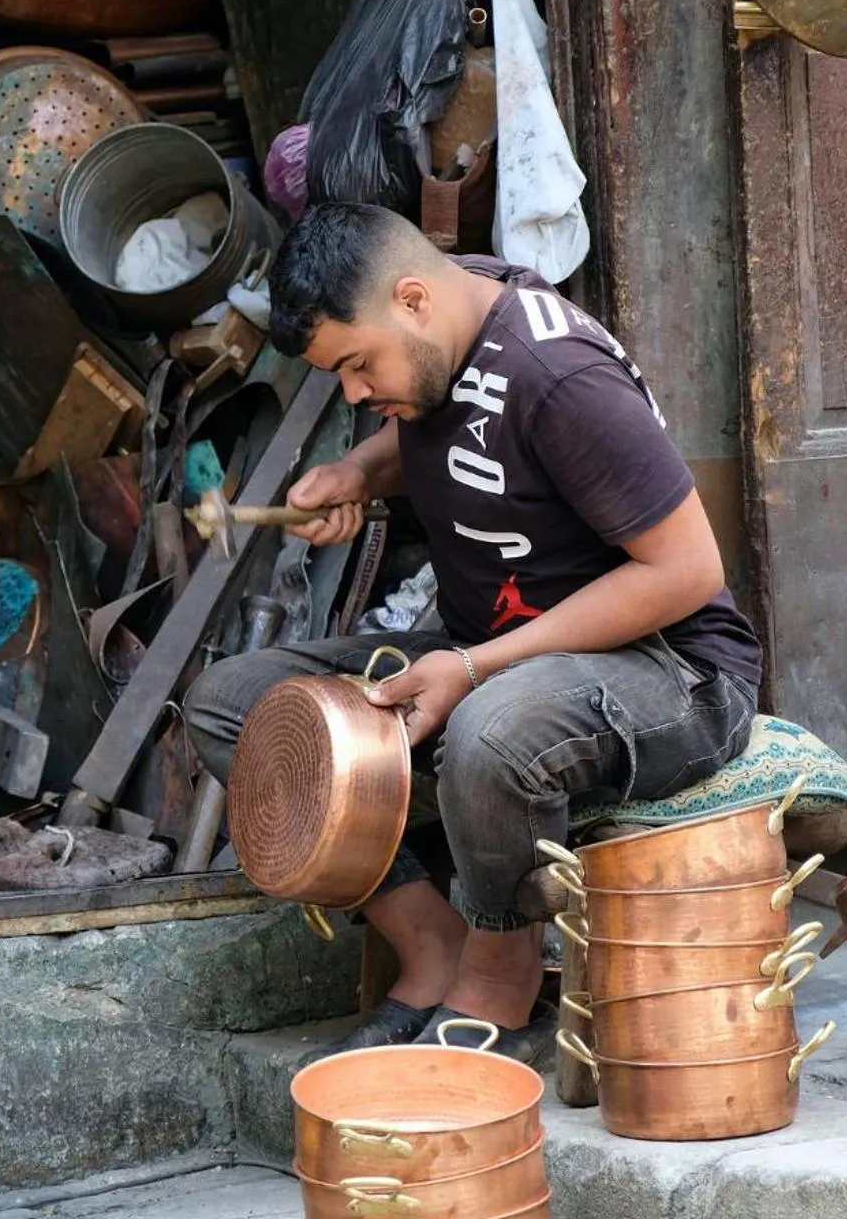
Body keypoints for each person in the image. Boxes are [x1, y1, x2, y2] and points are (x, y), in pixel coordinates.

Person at [183, 204, 762, 1059]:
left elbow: (685, 573)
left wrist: (472, 664)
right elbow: (433, 424)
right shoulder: (452, 314)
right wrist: (353, 470)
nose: (352, 393)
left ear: (411, 299)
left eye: (354, 365)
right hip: (502, 650)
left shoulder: (557, 375)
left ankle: (501, 978)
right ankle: (432, 945)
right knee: (234, 704)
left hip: (670, 668)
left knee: (493, 729)